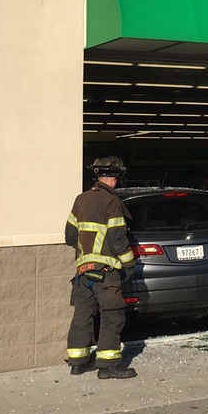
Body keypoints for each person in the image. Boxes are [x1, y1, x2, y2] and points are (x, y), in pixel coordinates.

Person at [65, 156, 138, 379]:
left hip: (82, 272)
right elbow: (118, 240)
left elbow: (69, 236)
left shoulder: (81, 199)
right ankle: (108, 366)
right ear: (116, 178)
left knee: (83, 315)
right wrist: (130, 265)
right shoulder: (112, 202)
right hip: (106, 273)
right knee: (112, 315)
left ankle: (78, 362)